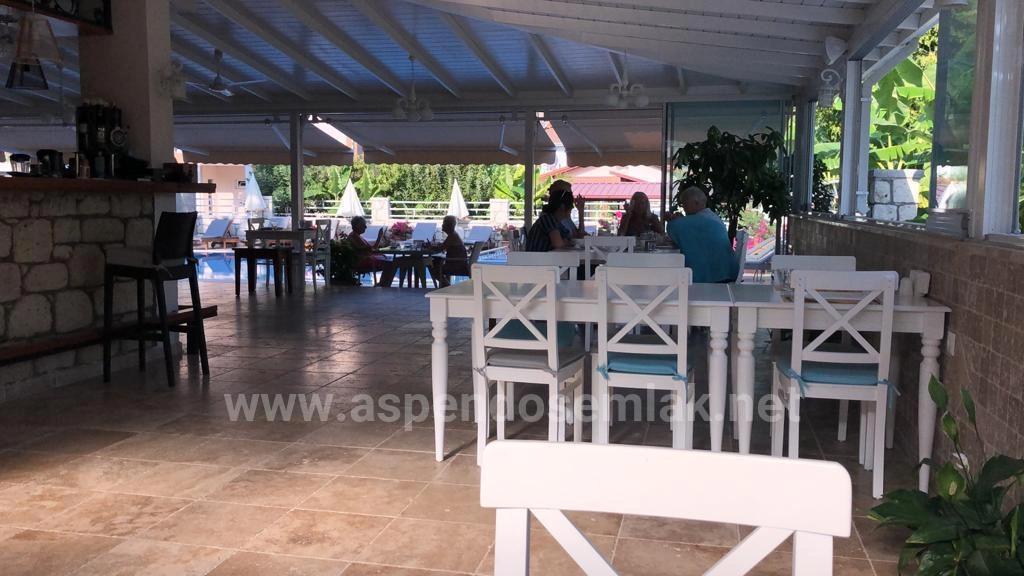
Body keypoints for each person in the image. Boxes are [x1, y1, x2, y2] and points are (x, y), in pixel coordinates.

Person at [665, 185, 737, 283]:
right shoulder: (710, 217)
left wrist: (673, 220)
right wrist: (680, 220)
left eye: (685, 204)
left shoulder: (703, 220)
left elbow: (674, 226)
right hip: (725, 272)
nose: (684, 208)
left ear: (696, 203)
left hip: (717, 277)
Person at [524, 180, 578, 251]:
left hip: (547, 257)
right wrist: (565, 242)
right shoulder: (547, 219)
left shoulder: (556, 221)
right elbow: (558, 243)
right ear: (562, 207)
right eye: (570, 205)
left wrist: (565, 241)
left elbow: (569, 238)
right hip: (537, 258)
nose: (572, 207)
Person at [349, 216, 401, 287]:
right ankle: (383, 285)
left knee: (391, 262)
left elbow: (371, 249)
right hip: (363, 261)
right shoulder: (353, 237)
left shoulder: (356, 236)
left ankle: (383, 284)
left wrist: (379, 238)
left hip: (366, 259)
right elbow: (369, 249)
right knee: (391, 264)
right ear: (357, 226)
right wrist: (379, 238)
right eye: (363, 225)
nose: (365, 227)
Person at [431, 215, 470, 287]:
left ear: (449, 225)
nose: (442, 225)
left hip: (456, 265)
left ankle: (448, 286)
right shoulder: (453, 235)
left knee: (434, 269)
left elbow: (440, 249)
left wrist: (430, 247)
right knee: (436, 262)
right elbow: (444, 246)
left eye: (444, 223)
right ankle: (446, 286)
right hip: (459, 263)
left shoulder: (452, 236)